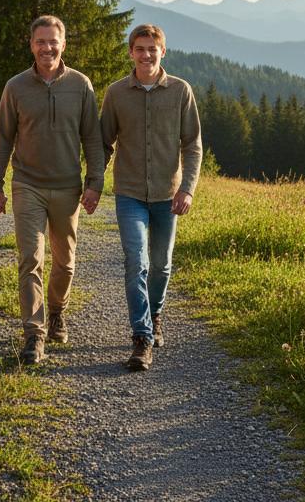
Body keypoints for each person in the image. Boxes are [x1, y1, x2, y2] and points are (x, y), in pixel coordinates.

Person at [0, 15, 105, 365]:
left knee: (65, 263)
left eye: (53, 41)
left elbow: (93, 140)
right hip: (27, 184)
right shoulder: (16, 87)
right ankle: (34, 334)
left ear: (63, 44)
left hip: (68, 186)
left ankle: (57, 311)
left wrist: (95, 183)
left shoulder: (81, 86)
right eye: (41, 41)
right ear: (31, 45)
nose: (47, 48)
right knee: (30, 259)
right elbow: (2, 138)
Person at [99, 23, 202, 372]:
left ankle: (155, 313)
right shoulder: (116, 93)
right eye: (139, 49)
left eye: (152, 49)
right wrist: (93, 182)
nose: (146, 55)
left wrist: (187, 188)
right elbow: (102, 143)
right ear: (131, 52)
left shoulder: (180, 91)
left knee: (161, 264)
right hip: (128, 193)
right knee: (136, 262)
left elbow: (193, 145)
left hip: (167, 195)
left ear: (162, 52)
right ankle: (141, 338)